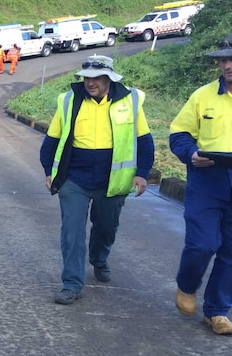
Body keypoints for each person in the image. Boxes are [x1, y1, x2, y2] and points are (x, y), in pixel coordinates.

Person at [39, 54, 155, 305]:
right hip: (74, 177)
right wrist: (49, 170)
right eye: (86, 78)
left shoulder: (129, 100)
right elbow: (52, 139)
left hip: (112, 180)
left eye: (96, 78)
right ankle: (72, 283)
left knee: (106, 226)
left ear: (109, 78)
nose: (90, 83)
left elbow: (144, 140)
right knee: (72, 230)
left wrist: (142, 173)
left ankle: (99, 259)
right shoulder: (69, 99)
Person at [169, 35, 232, 335]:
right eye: (224, 60)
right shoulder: (203, 96)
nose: (228, 65)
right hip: (207, 180)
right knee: (203, 243)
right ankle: (187, 285)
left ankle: (217, 311)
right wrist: (190, 152)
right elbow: (179, 134)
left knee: (231, 251)